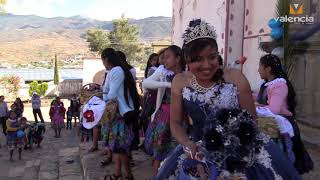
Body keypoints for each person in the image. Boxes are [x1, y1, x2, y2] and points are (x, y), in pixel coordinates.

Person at [155, 19, 301, 180]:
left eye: (212, 57)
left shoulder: (236, 78)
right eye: (197, 59)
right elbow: (175, 122)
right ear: (187, 60)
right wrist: (187, 143)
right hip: (198, 150)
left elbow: (251, 120)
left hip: (240, 150)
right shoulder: (180, 81)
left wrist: (235, 144)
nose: (206, 65)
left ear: (218, 55)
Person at [255, 54, 313, 174]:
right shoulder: (268, 84)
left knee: (279, 163)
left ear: (268, 69)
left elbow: (273, 110)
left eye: (260, 66)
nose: (258, 70)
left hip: (281, 125)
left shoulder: (279, 85)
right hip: (271, 123)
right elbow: (261, 98)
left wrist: (258, 107)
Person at [142, 45, 186, 176]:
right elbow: (146, 83)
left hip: (181, 116)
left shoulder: (186, 74)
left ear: (178, 59)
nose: (164, 60)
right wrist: (168, 85)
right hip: (166, 114)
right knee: (159, 151)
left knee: (178, 152)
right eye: (163, 57)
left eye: (168, 57)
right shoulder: (163, 72)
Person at [101, 48, 140, 180]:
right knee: (117, 147)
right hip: (119, 114)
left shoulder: (117, 70)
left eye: (103, 60)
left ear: (106, 58)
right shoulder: (114, 70)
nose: (103, 63)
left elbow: (110, 94)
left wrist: (102, 96)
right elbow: (106, 90)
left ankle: (129, 175)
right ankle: (119, 173)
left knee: (120, 148)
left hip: (120, 114)